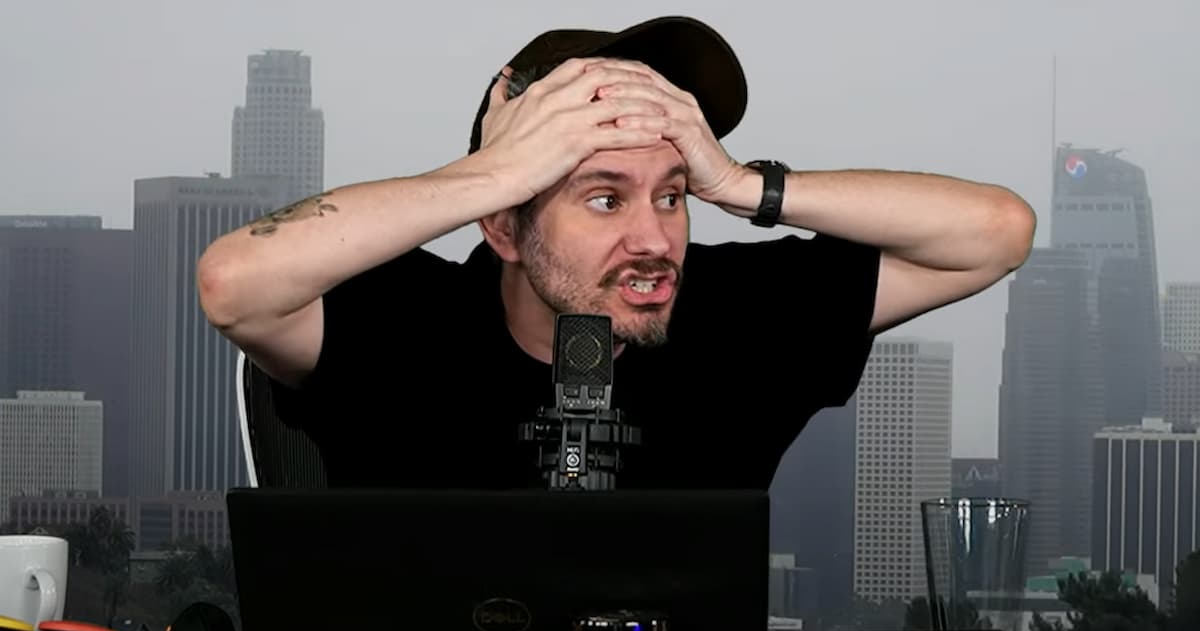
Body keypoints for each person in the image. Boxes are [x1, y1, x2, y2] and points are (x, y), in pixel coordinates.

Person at [197, 16, 1035, 490]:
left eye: (670, 194)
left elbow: (996, 233)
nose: (654, 239)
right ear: (502, 224)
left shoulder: (737, 315)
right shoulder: (404, 321)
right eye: (604, 197)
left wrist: (742, 184)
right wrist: (492, 173)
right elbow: (234, 283)